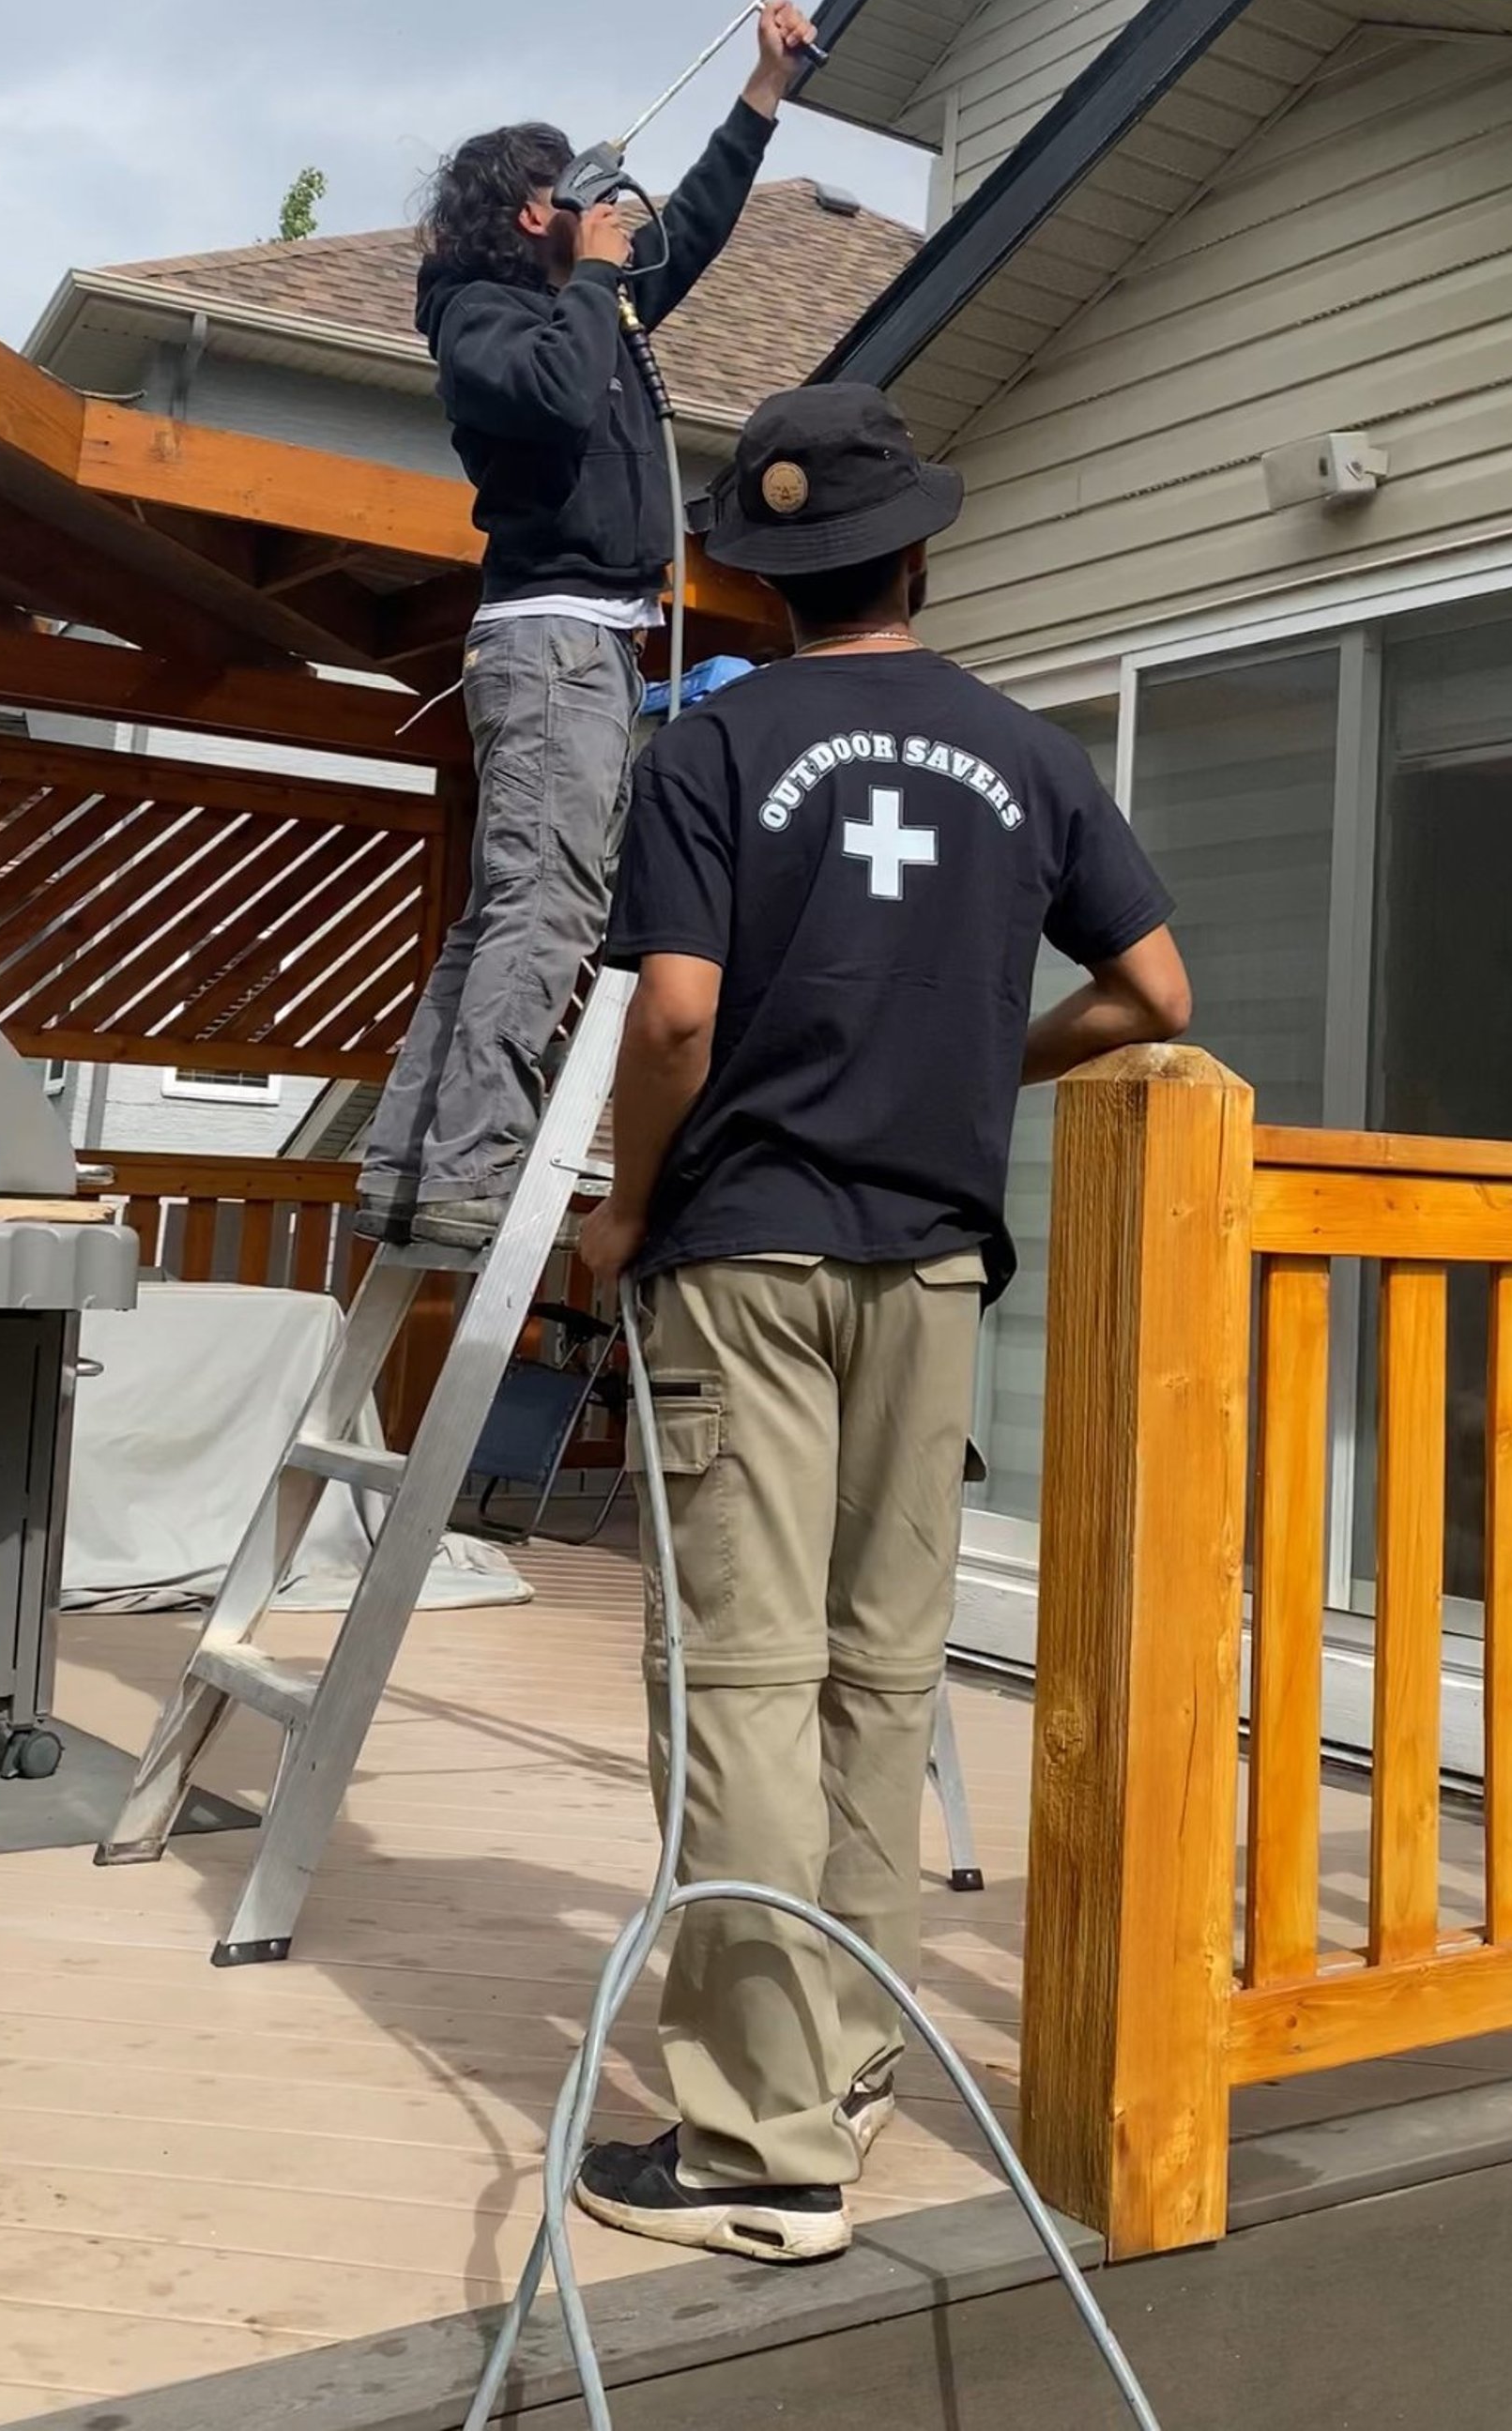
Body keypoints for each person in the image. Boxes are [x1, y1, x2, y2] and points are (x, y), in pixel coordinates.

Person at [573, 380, 1190, 2264]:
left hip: (746, 1255)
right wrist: (978, 1067)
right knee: (877, 1676)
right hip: (933, 1267)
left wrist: (621, 1211)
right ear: (918, 551)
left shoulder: (713, 747)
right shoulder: (1030, 754)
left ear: (760, 585)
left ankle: (759, 2157)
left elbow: (675, 1015)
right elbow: (1156, 989)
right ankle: (841, 2072)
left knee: (744, 1685)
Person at [358, 0, 818, 1254]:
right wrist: (604, 267)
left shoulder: (590, 304)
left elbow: (702, 232)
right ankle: (465, 1169)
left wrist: (760, 94)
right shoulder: (482, 319)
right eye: (576, 194)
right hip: (551, 642)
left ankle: (411, 1167)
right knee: (547, 915)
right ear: (529, 214)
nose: (604, 210)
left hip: (592, 649)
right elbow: (558, 403)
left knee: (505, 914)